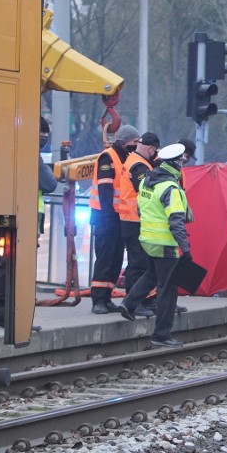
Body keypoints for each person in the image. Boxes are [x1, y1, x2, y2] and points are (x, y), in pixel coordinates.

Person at [0, 117, 56, 330]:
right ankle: (1, 313)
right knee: (11, 266)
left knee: (2, 263)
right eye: (42, 135)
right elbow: (49, 183)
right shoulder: (28, 152)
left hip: (4, 216)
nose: (44, 139)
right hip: (22, 219)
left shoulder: (5, 147)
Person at [118, 143, 191, 348]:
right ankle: (161, 335)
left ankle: (128, 304)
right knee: (167, 289)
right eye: (181, 161)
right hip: (166, 244)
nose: (182, 165)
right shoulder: (171, 188)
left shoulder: (147, 181)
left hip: (147, 239)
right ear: (176, 164)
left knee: (151, 274)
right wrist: (185, 248)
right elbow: (176, 221)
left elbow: (141, 209)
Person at [89, 124, 139, 314]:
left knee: (116, 257)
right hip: (105, 217)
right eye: (135, 142)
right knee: (105, 257)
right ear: (126, 141)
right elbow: (105, 191)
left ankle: (107, 296)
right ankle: (98, 300)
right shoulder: (108, 157)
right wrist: (109, 218)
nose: (136, 145)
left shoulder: (126, 157)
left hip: (119, 217)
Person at [118, 131, 160, 318]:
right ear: (150, 149)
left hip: (130, 219)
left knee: (138, 261)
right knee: (138, 263)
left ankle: (139, 300)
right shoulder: (139, 165)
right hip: (134, 220)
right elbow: (144, 189)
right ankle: (134, 302)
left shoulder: (132, 159)